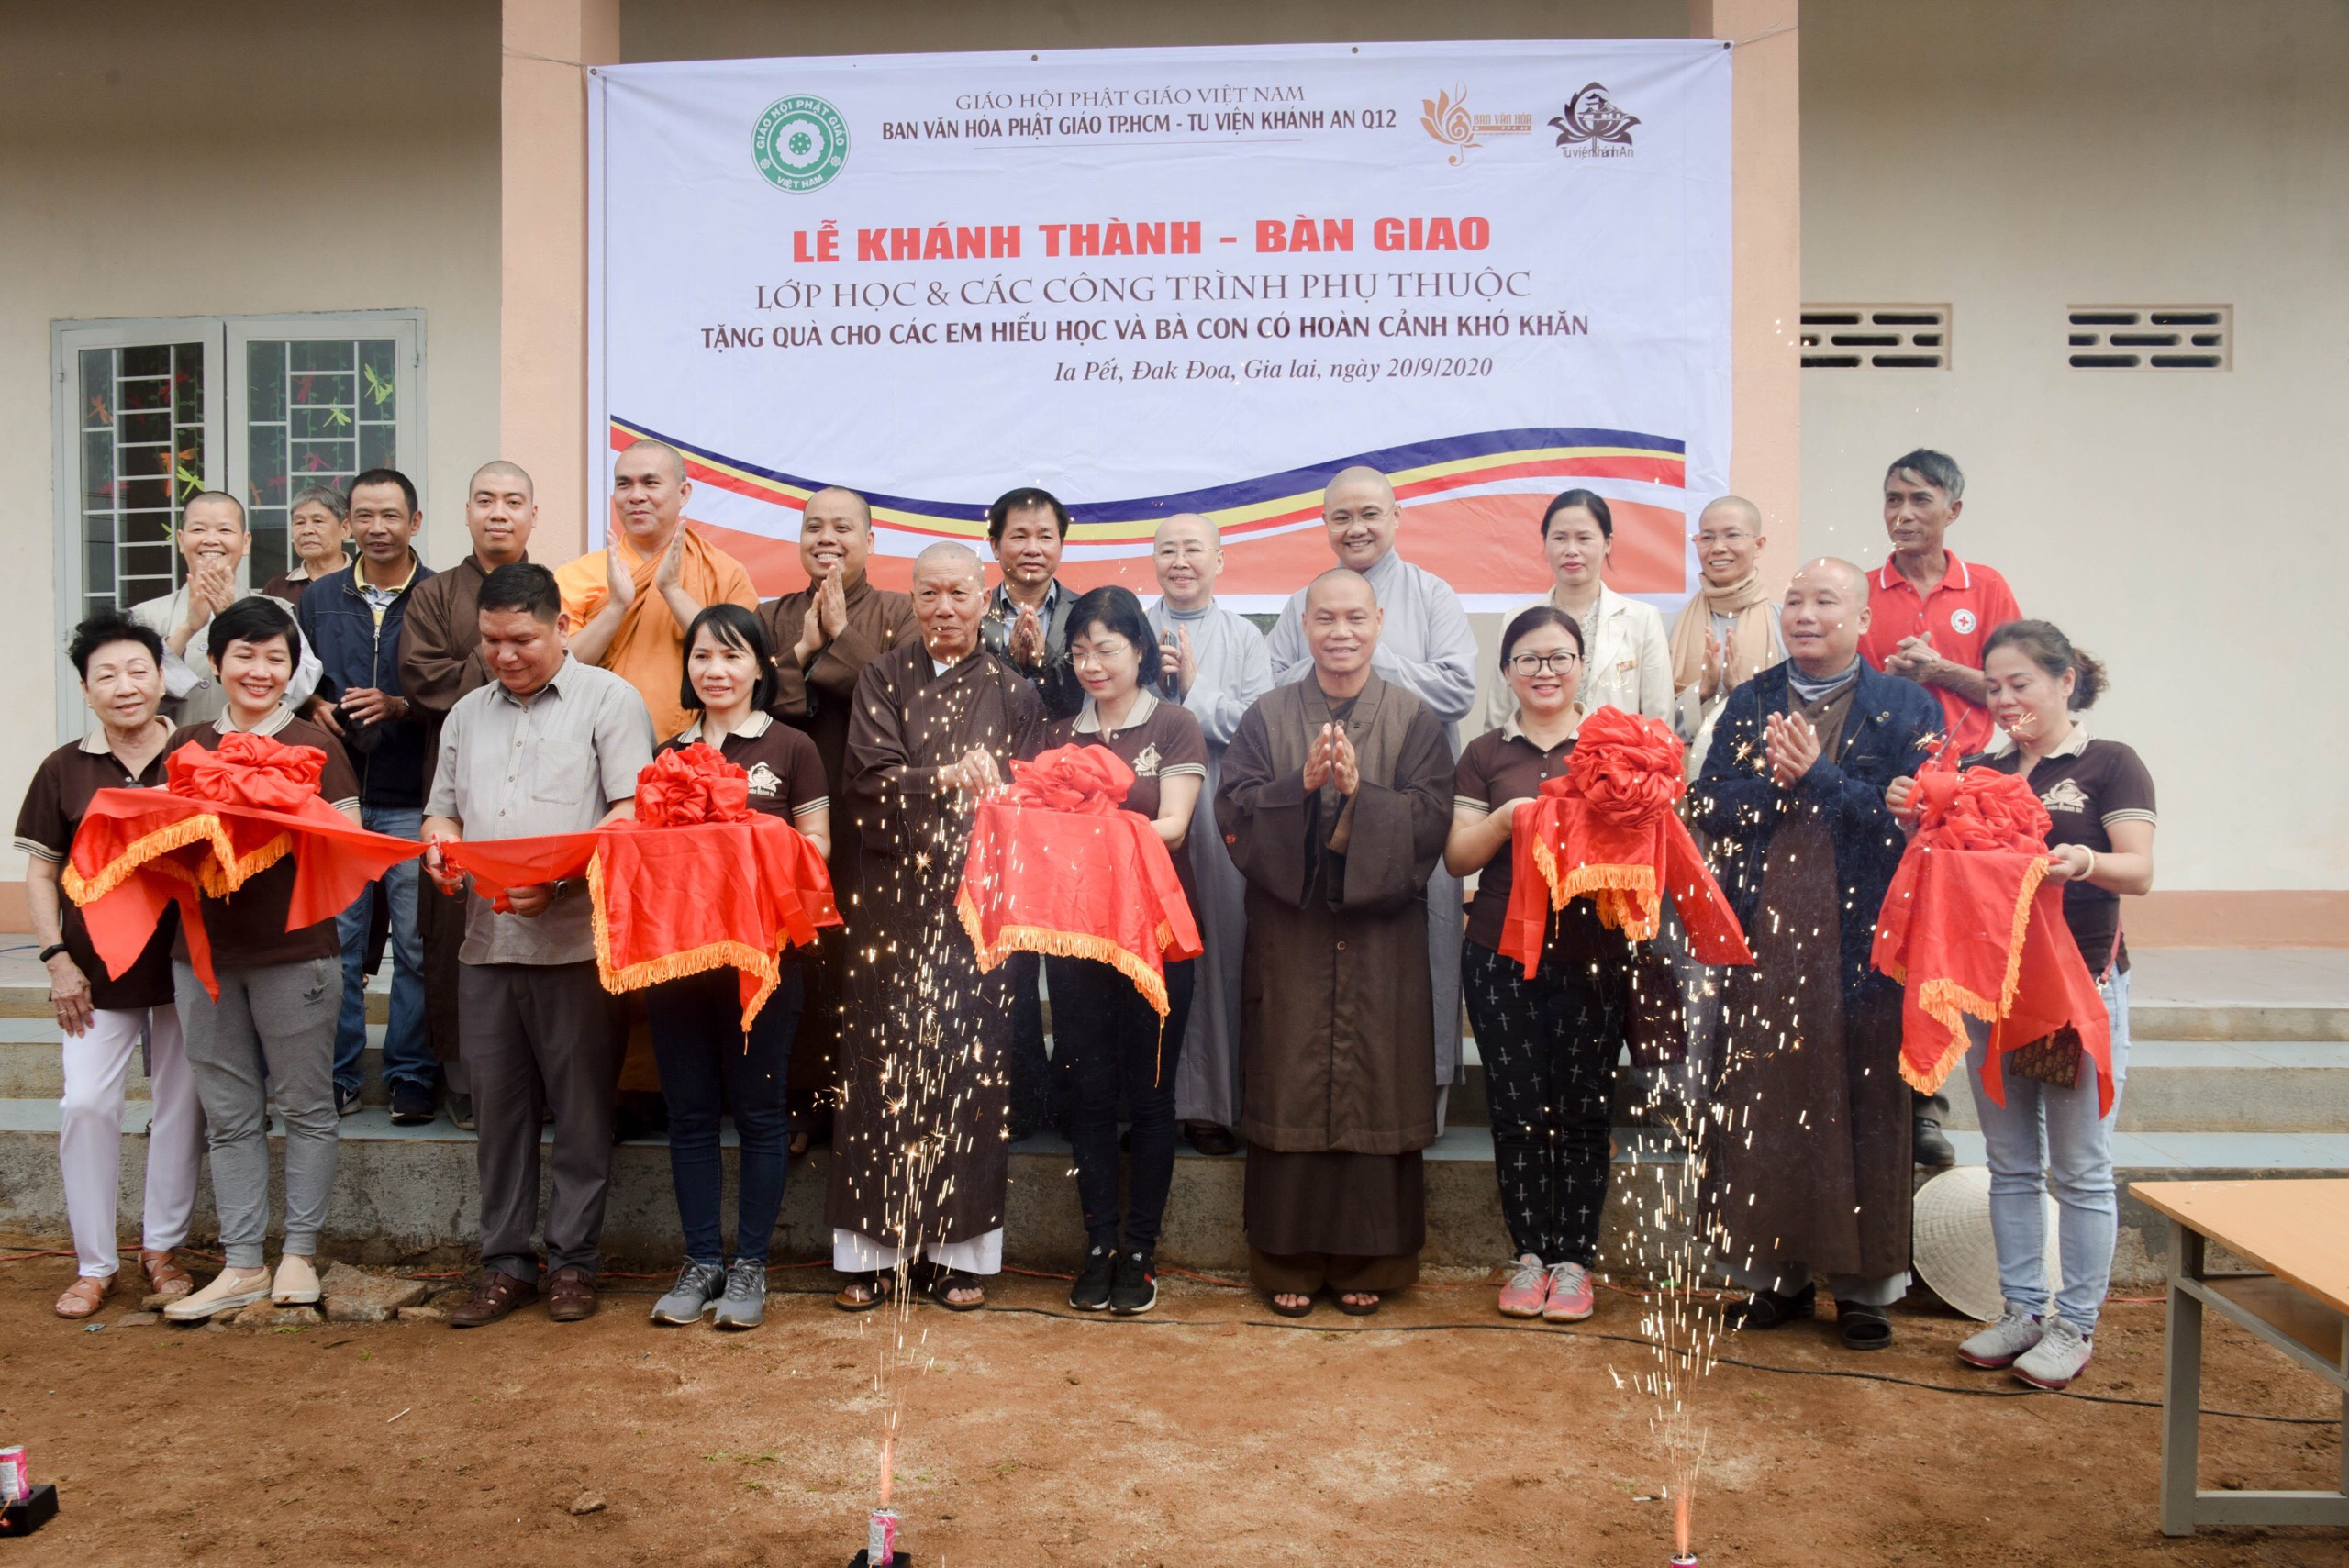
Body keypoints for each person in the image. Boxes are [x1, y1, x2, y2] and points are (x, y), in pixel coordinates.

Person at [1688, 559, 1943, 1352]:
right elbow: (1708, 801)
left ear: (1862, 619)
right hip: (1765, 938)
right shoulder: (1752, 699)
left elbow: (1917, 822)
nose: (1803, 613)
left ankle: (1865, 1290)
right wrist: (1780, 783)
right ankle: (1775, 1279)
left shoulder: (1906, 705)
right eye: (1794, 600)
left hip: (1866, 942)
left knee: (1865, 1103)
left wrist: (1822, 777)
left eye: (1824, 600)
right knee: (1766, 1096)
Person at [1898, 622, 2155, 1391]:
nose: (2006, 700)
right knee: (2010, 1162)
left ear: (2066, 679)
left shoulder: (2110, 763)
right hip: (1997, 988)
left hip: (2078, 989)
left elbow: (2139, 870)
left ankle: (2074, 1324)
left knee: (2080, 1167)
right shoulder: (1986, 768)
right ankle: (2021, 1309)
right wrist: (1916, 814)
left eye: (2021, 684)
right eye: (1995, 687)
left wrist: (2084, 860)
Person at [422, 563, 656, 1327]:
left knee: (582, 1112)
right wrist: (440, 846)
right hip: (486, 943)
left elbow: (630, 814)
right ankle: (504, 1264)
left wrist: (556, 879)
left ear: (561, 625)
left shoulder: (610, 701)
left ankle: (575, 1262)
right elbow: (442, 812)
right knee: (499, 1116)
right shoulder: (466, 714)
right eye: (490, 640)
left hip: (576, 944)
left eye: (520, 638)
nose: (504, 654)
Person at [1220, 568, 1454, 1317]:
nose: (1340, 631)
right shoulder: (1266, 716)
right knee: (1290, 1074)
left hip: (1381, 942)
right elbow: (1236, 813)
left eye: (1355, 617)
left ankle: (1371, 1260)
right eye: (1325, 617)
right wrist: (1299, 785)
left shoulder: (1415, 719)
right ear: (1304, 626)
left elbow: (1432, 821)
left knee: (1375, 1079)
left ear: (1379, 621)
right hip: (1292, 937)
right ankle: (1284, 1256)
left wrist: (1361, 797)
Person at [832, 542, 1045, 1312]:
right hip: (894, 902)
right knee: (880, 1067)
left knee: (969, 1067)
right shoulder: (882, 677)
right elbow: (865, 782)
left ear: (985, 598)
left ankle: (958, 1255)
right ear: (912, 599)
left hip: (977, 909)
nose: (944, 608)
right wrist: (945, 779)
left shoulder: (1015, 691)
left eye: (959, 593)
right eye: (930, 594)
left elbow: (1031, 801)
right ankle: (873, 1253)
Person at [159, 598, 362, 1321]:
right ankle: (243, 1262)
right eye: (244, 654)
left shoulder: (315, 744)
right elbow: (154, 839)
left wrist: (276, 803)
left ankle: (299, 1254)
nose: (259, 669)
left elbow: (351, 845)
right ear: (216, 663)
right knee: (229, 1116)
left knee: (307, 1107)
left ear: (292, 669)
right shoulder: (187, 744)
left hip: (296, 953)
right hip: (203, 958)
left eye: (276, 657)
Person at [1264, 467, 1478, 1114]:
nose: (1355, 528)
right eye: (1341, 517)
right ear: (1324, 524)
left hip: (1410, 808)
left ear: (1396, 517)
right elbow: (1269, 689)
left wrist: (1368, 651)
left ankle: (1424, 1100)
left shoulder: (1432, 594)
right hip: (1319, 809)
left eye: (1369, 514)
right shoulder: (1303, 602)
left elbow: (1458, 690)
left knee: (1424, 949)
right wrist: (1338, 646)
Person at [646, 605, 831, 1332]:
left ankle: (750, 1263)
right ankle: (700, 1260)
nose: (715, 670)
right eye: (702, 656)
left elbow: (817, 846)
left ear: (760, 666)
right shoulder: (669, 751)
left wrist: (743, 834)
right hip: (680, 956)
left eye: (731, 656)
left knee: (759, 1112)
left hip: (763, 957)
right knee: (689, 1113)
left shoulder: (791, 746)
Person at [17, 612, 206, 1318]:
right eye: (107, 675)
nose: (125, 686)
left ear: (161, 678)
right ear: (85, 689)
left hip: (186, 963)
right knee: (87, 1104)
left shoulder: (197, 753)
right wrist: (56, 959)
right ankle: (95, 1263)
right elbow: (42, 873)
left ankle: (162, 1249)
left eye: (138, 670)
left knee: (181, 1105)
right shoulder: (62, 767)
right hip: (94, 972)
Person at [1447, 606, 1625, 1324]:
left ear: (1582, 665)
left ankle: (1574, 1261)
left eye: (1558, 657)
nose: (1544, 671)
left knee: (1583, 1110)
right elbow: (1457, 856)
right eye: (1528, 658)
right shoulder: (1484, 754)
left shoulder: (1613, 746)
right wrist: (1506, 818)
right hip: (1498, 950)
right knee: (1516, 1111)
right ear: (1507, 671)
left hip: (1595, 953)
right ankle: (1528, 1255)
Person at [1041, 585, 1208, 1317]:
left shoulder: (1173, 724)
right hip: (1079, 936)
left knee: (1150, 1094)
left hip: (1158, 935)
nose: (1092, 663)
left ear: (1140, 649)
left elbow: (1173, 825)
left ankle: (1141, 1248)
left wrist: (1092, 824)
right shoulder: (1057, 736)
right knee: (1089, 1090)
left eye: (1106, 648)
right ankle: (1099, 1243)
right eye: (1079, 651)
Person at [1854, 449, 2021, 1168]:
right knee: (1887, 942)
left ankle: (1929, 1105)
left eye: (1920, 499)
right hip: (1887, 786)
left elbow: (2019, 690)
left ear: (1953, 510)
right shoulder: (1863, 591)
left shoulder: (1985, 587)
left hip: (1971, 791)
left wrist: (1941, 670)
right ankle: (1886, 1098)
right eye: (1893, 499)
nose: (1902, 513)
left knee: (1945, 947)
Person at [757, 485, 916, 1154]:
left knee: (873, 960)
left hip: (874, 818)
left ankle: (871, 1105)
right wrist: (802, 649)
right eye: (814, 526)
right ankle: (803, 1102)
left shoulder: (901, 612)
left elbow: (902, 696)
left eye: (843, 527)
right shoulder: (770, 615)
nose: (827, 538)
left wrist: (840, 639)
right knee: (803, 954)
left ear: (870, 541)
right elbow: (750, 697)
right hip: (793, 814)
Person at [399, 460, 538, 1129]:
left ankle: (536, 1080)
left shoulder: (553, 588)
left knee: (540, 917)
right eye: (485, 499)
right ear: (466, 511)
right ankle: (461, 1077)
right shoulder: (432, 595)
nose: (498, 512)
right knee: (454, 922)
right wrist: (509, 646)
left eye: (512, 501)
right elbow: (423, 682)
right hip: (459, 779)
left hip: (541, 779)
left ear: (533, 514)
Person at [295, 468, 435, 1124]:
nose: (378, 528)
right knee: (339, 946)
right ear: (348, 524)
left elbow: (458, 688)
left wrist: (401, 704)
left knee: (415, 947)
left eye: (391, 515)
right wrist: (314, 706)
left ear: (416, 521)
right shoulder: (319, 597)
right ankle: (339, 1073)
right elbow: (290, 675)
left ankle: (411, 1073)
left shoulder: (438, 595)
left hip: (413, 795)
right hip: (338, 797)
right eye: (365, 516)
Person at [1145, 513, 1273, 1158]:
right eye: (1168, 549)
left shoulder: (1246, 637)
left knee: (1218, 949)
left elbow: (1262, 726)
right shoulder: (1133, 626)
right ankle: (1146, 1105)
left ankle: (1212, 1106)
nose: (1180, 561)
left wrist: (1195, 689)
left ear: (1219, 560)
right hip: (1146, 809)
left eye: (1193, 549)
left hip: (1218, 809)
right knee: (1144, 951)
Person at [556, 438, 760, 741]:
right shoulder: (577, 575)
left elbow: (743, 662)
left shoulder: (724, 572)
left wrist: (672, 590)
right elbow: (557, 672)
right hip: (598, 743)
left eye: (650, 483)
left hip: (700, 749)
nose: (636, 496)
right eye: (624, 485)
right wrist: (615, 608)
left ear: (683, 492)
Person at [128, 489, 323, 727]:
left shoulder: (278, 611)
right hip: (173, 747)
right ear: (181, 540)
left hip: (255, 746)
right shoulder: (145, 616)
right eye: (198, 530)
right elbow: (131, 693)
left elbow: (300, 687)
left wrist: (234, 619)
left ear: (245, 542)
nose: (211, 539)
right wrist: (187, 629)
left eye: (225, 530)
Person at [1483, 488, 1673, 728]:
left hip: (1616, 752)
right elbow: (1499, 718)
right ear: (1545, 543)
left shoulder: (1642, 619)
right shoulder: (1516, 620)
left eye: (1584, 538)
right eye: (1560, 538)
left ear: (1607, 543)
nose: (1571, 550)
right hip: (1535, 752)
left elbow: (1659, 720)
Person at [1668, 495, 1782, 778]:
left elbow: (1799, 713)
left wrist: (1742, 694)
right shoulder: (1670, 626)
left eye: (1732, 535)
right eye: (1707, 537)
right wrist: (1701, 692)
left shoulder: (1783, 624)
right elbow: (1653, 718)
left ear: (1759, 545)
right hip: (1682, 778)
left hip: (1763, 778)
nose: (1718, 548)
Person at [981, 485, 1084, 720]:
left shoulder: (1086, 612)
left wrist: (1044, 663)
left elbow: (1087, 698)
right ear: (995, 546)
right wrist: (1011, 661)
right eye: (1019, 536)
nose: (1033, 549)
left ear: (1061, 545)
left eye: (1045, 537)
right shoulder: (973, 614)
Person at [261, 484, 351, 605]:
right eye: (300, 522)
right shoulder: (276, 588)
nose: (307, 530)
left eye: (318, 521)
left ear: (345, 529)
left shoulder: (364, 582)